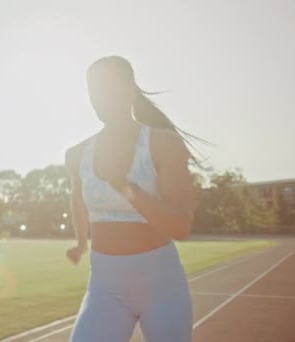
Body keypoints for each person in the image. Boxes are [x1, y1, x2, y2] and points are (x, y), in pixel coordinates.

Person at [65, 56, 198, 342]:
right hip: (104, 289)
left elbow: (180, 226)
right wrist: (80, 242)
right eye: (92, 91)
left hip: (162, 289)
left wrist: (124, 186)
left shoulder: (163, 144)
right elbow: (78, 199)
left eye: (106, 89)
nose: (98, 99)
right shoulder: (77, 154)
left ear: (128, 89)